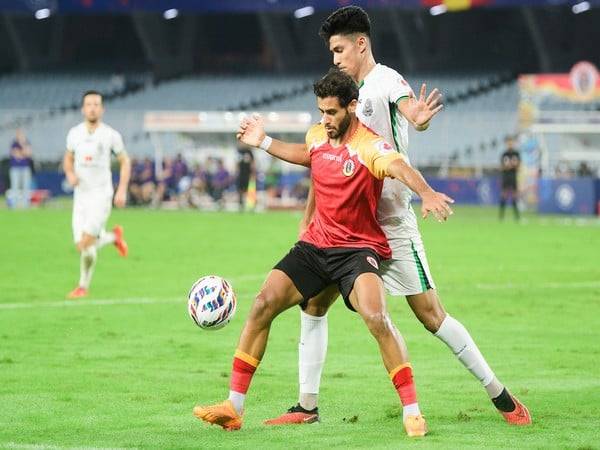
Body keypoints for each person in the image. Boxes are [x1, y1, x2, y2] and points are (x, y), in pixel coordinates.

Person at [262, 6, 531, 427]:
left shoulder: (385, 81)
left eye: (339, 49)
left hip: (391, 223)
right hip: (347, 229)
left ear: (361, 43)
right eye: (331, 51)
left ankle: (498, 393)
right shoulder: (338, 98)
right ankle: (306, 407)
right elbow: (324, 162)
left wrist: (417, 119)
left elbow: (409, 109)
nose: (334, 58)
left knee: (430, 315)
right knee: (313, 304)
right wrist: (309, 216)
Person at [193, 69, 454, 437]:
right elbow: (307, 155)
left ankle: (412, 411)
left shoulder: (370, 144)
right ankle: (234, 407)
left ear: (352, 107)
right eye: (320, 111)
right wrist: (263, 140)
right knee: (262, 304)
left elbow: (398, 166)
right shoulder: (317, 134)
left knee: (377, 318)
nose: (325, 120)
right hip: (316, 246)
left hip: (356, 250)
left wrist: (425, 193)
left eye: (332, 112)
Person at [63, 90, 130, 299]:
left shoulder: (110, 135)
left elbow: (125, 161)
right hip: (80, 197)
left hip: (101, 195)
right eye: (89, 104)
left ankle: (82, 286)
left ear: (102, 109)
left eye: (96, 104)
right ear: (83, 109)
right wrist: (70, 174)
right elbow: (67, 158)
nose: (92, 107)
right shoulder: (74, 134)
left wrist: (121, 189)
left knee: (86, 244)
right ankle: (112, 237)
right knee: (83, 247)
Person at [8, 128, 33, 209]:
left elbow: (28, 154)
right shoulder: (14, 143)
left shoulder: (26, 143)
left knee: (26, 186)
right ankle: (14, 204)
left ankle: (25, 204)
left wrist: (23, 146)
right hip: (15, 168)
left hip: (25, 168)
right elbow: (16, 154)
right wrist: (22, 153)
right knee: (15, 186)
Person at [499, 135, 521, 221]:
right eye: (508, 142)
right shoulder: (504, 154)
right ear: (506, 143)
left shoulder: (516, 153)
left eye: (511, 142)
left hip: (513, 176)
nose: (510, 144)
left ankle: (517, 216)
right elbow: (502, 167)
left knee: (514, 196)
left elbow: (518, 165)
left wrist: (511, 166)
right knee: (504, 195)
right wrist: (510, 166)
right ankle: (501, 216)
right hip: (506, 177)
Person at [236, 143, 255, 211]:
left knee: (249, 191)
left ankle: (250, 206)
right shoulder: (239, 151)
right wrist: (237, 172)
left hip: (247, 174)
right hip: (241, 174)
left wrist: (252, 174)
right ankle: (241, 205)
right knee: (240, 191)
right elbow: (237, 163)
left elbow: (252, 164)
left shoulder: (249, 152)